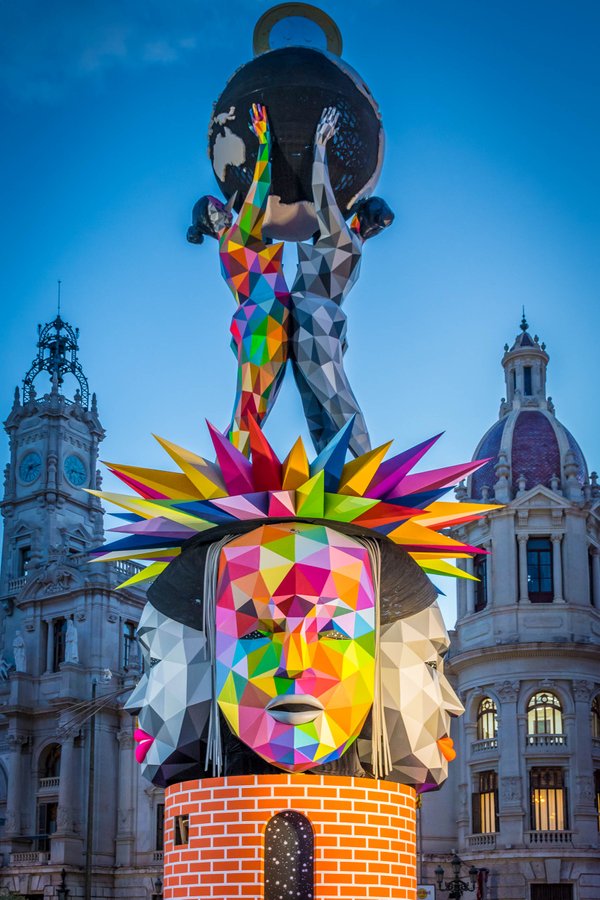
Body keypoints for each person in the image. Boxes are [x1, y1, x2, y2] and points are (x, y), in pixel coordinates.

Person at [290, 107, 394, 457]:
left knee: (335, 403)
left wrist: (320, 145)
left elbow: (323, 195)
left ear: (360, 215)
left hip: (313, 318)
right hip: (319, 320)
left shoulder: (342, 239)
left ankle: (370, 471)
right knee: (322, 410)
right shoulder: (355, 250)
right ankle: (331, 483)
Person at [187, 104, 289, 456]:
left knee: (253, 409)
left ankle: (228, 470)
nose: (229, 208)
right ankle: (226, 476)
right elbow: (259, 193)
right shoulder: (234, 238)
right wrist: (264, 143)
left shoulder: (231, 247)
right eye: (221, 206)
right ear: (216, 216)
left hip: (262, 319)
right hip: (263, 320)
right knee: (250, 410)